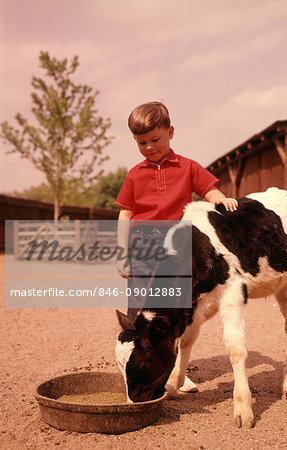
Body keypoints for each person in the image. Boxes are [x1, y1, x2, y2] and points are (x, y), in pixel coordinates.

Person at [115, 101, 237, 392]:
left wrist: (221, 199)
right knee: (138, 316)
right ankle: (136, 369)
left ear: (170, 132)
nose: (148, 147)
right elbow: (125, 213)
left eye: (155, 139)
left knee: (172, 314)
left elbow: (209, 190)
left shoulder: (188, 166)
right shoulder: (134, 174)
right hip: (142, 252)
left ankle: (173, 368)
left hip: (177, 255)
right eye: (141, 142)